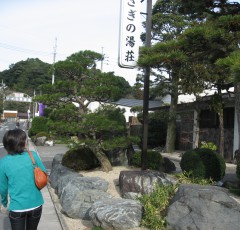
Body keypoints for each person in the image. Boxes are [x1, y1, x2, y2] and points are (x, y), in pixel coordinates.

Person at [0, 129, 46, 230]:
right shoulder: (32, 155)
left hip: (17, 207)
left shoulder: (3, 162)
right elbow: (44, 173)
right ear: (22, 143)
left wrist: (4, 203)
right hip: (36, 204)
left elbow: (3, 188)